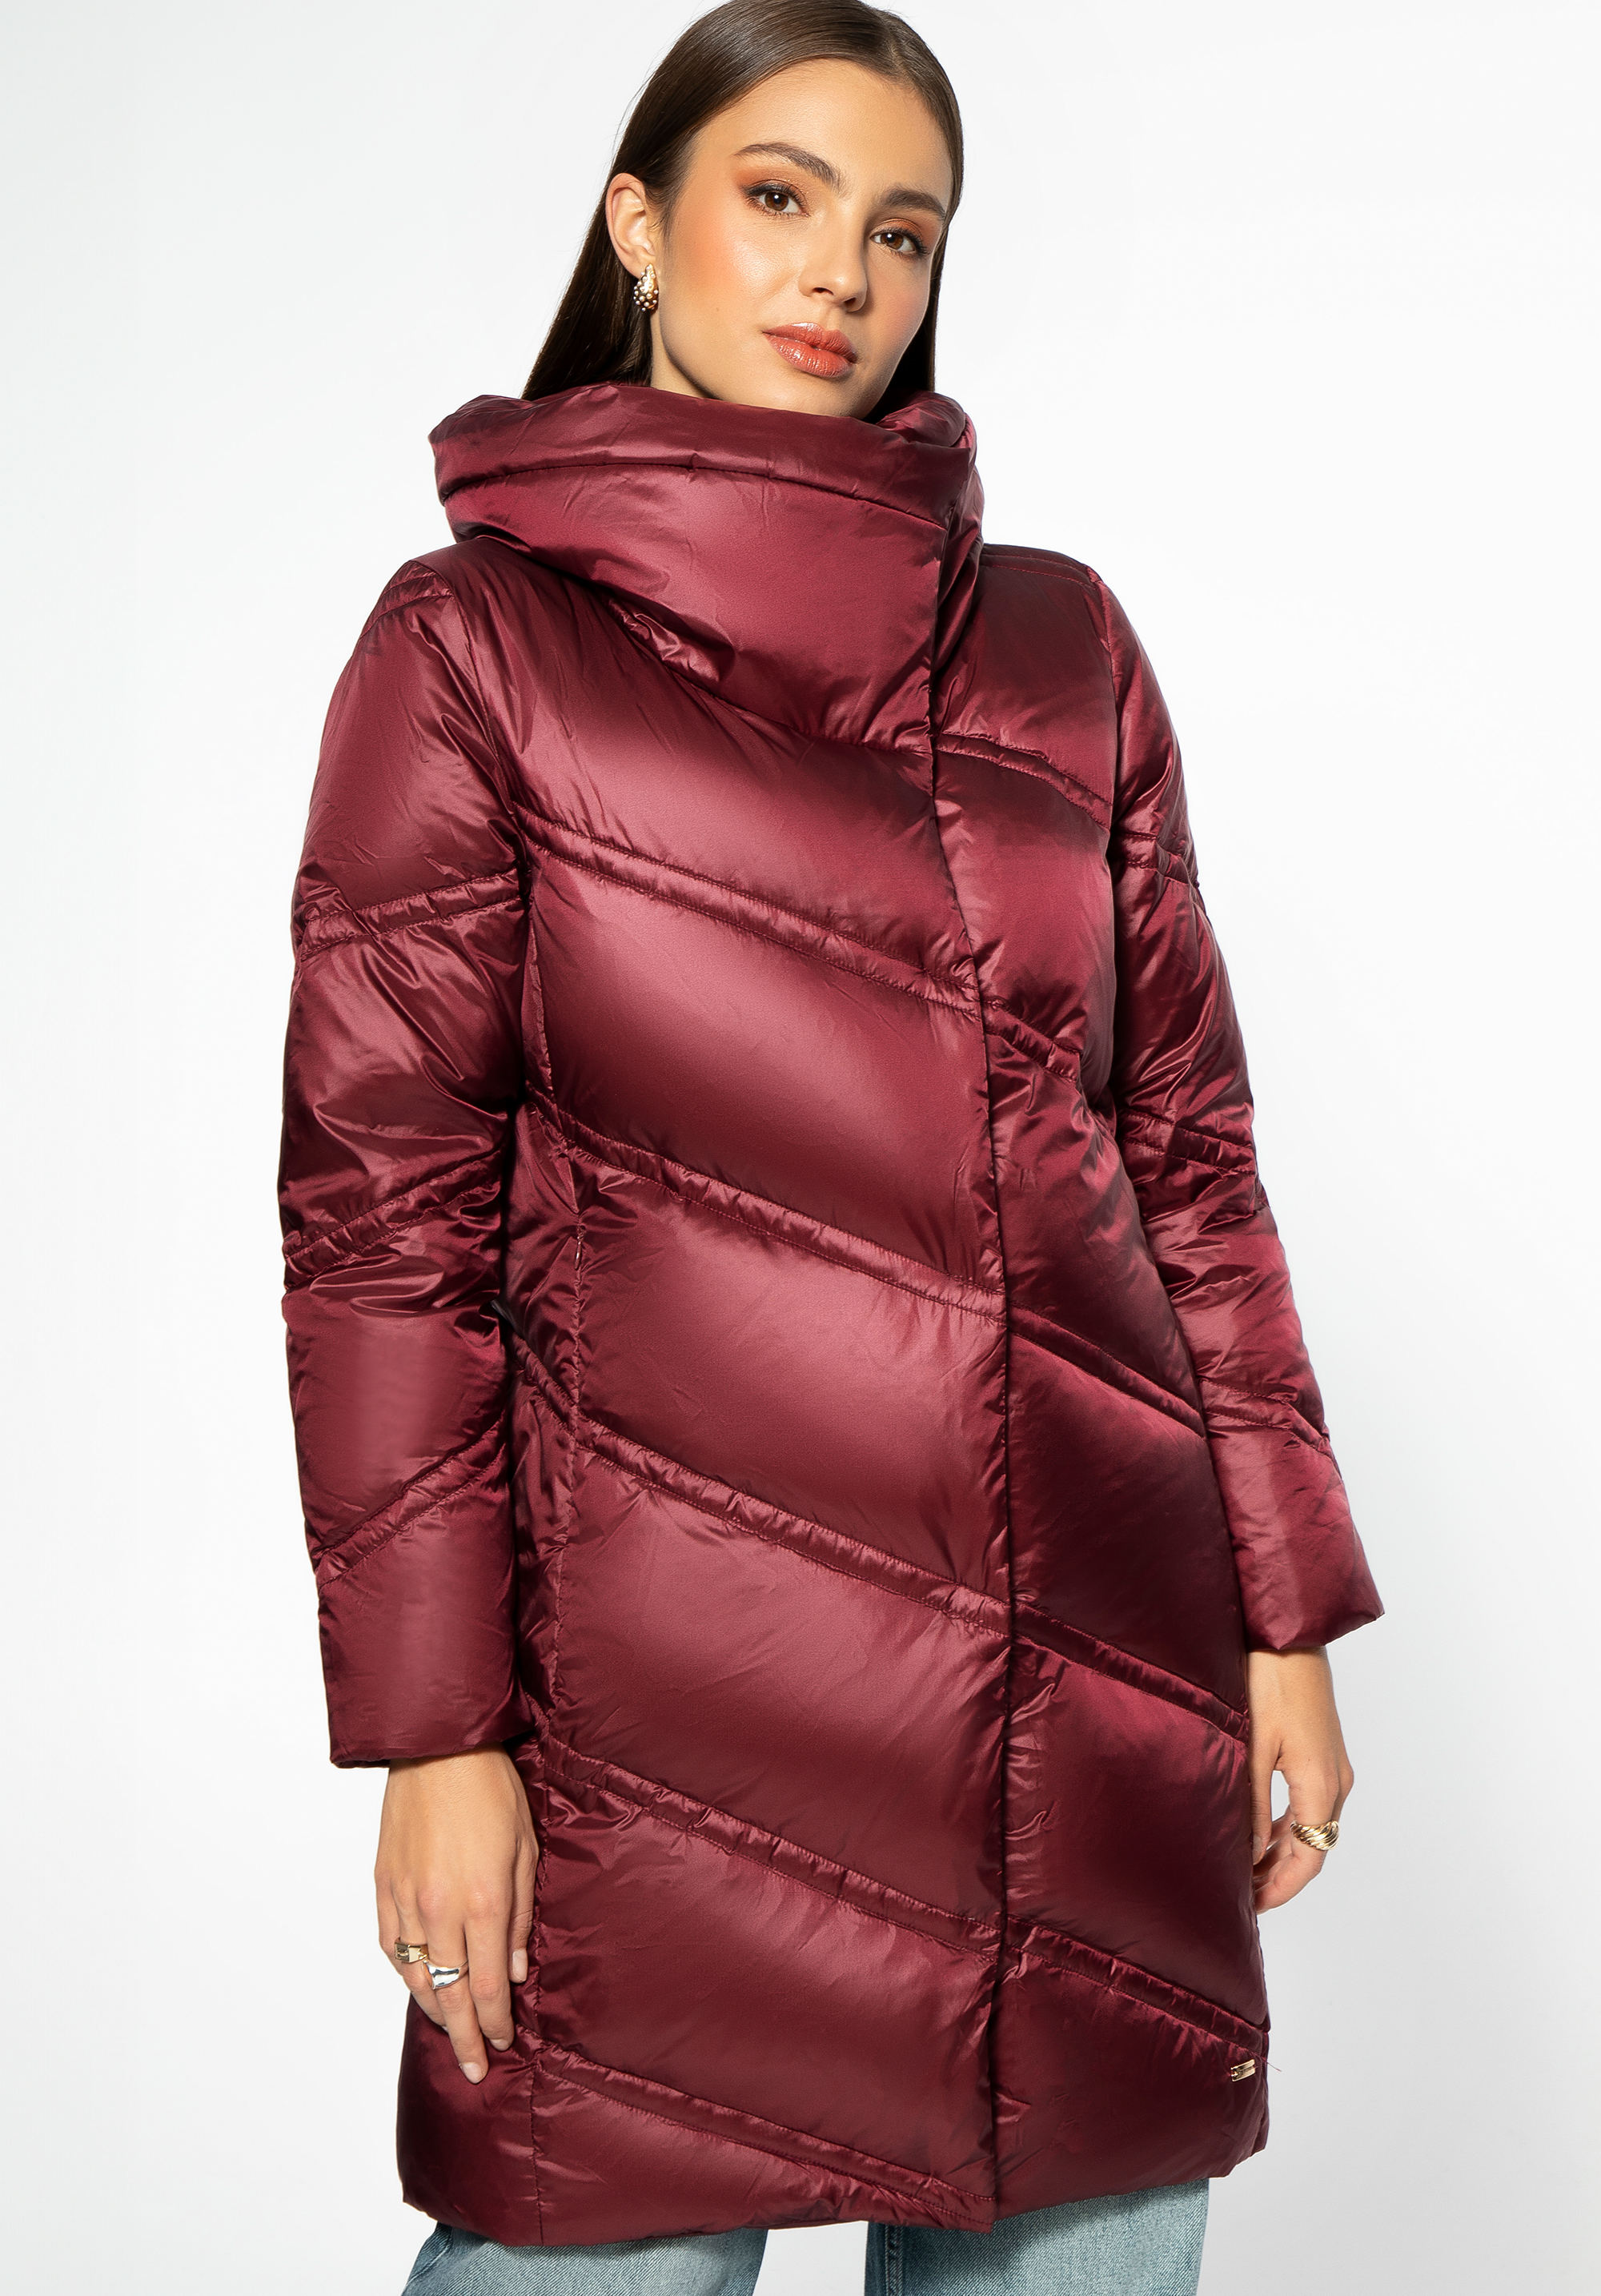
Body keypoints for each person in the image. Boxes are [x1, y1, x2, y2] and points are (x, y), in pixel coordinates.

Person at [277, 4, 1384, 2290]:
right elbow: (385, 1229)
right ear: (638, 221)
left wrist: (1284, 1614)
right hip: (664, 1726)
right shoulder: (476, 650)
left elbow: (1187, 1152)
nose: (840, 274)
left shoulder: (1066, 648)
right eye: (779, 197)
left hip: (1086, 1699)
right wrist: (434, 1737)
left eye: (903, 231)